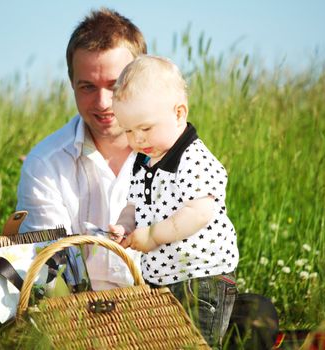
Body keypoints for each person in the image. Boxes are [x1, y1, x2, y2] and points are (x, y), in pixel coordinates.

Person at [109, 55, 239, 347]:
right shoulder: (142, 161)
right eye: (128, 130)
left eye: (145, 128)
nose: (137, 139)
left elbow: (199, 212)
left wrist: (154, 235)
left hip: (201, 279)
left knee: (196, 343)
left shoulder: (193, 158)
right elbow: (134, 205)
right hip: (162, 279)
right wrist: (124, 226)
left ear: (179, 113)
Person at [16, 8, 147, 291]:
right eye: (87, 87)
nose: (102, 102)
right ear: (72, 84)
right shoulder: (44, 165)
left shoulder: (177, 154)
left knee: (256, 313)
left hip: (161, 310)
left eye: (115, 85)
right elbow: (53, 277)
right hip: (78, 320)